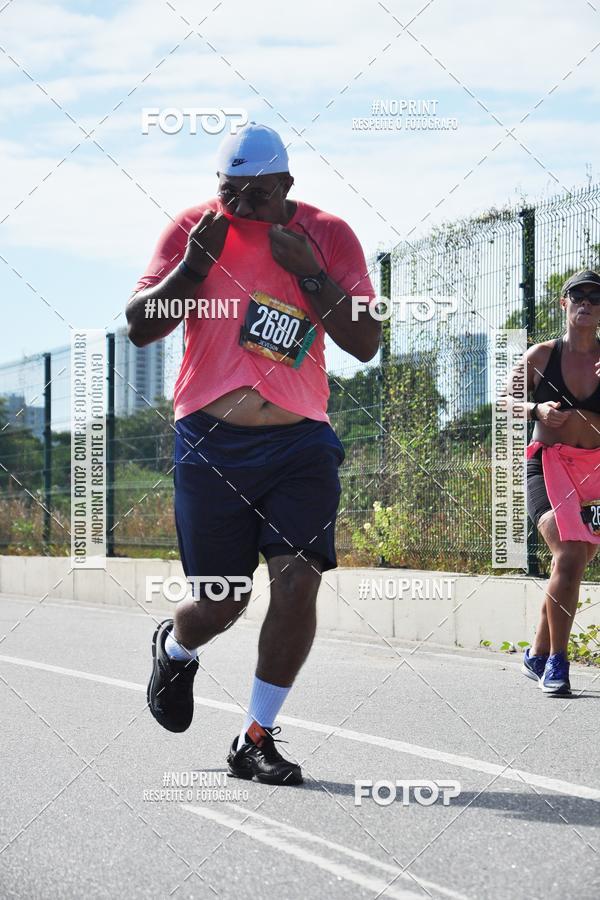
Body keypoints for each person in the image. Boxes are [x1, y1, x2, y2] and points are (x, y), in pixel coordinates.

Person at [126, 122, 380, 784]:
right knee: (221, 602)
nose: (240, 208)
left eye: (256, 196)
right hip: (211, 440)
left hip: (300, 440)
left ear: (287, 186)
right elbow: (140, 327)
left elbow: (364, 342)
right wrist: (193, 266)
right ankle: (176, 649)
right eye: (229, 192)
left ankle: (255, 737)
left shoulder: (329, 234)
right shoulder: (194, 228)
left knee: (298, 581)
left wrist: (313, 275)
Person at [522, 269, 600, 695]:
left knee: (574, 561)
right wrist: (536, 410)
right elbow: (505, 398)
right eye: (578, 295)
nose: (587, 302)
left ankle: (536, 651)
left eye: (596, 296)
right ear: (563, 303)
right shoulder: (541, 355)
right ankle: (557, 662)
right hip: (549, 466)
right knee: (569, 555)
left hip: (596, 471)